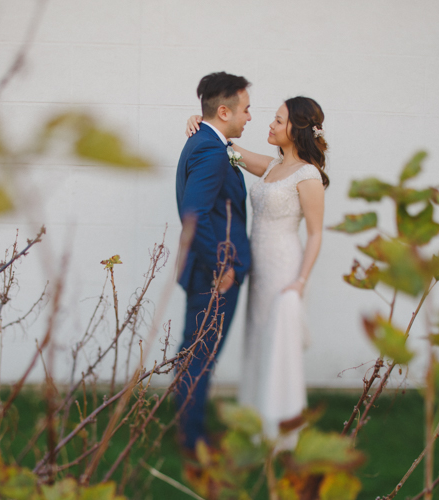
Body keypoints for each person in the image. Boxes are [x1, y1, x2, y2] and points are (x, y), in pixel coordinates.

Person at [186, 96, 328, 445]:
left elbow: (315, 233)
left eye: (278, 121)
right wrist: (200, 123)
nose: (270, 124)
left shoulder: (307, 175)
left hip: (283, 268)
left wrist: (300, 281)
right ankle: (255, 422)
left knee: (278, 343)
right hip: (259, 270)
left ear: (296, 128)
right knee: (257, 340)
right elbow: (228, 149)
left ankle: (278, 430)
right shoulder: (271, 167)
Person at [175, 72, 252, 452]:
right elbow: (194, 212)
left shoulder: (205, 140)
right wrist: (222, 265)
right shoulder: (210, 149)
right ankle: (193, 441)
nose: (250, 117)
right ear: (224, 111)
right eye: (246, 109)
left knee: (194, 352)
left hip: (205, 270)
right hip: (213, 274)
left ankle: (186, 427)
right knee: (201, 357)